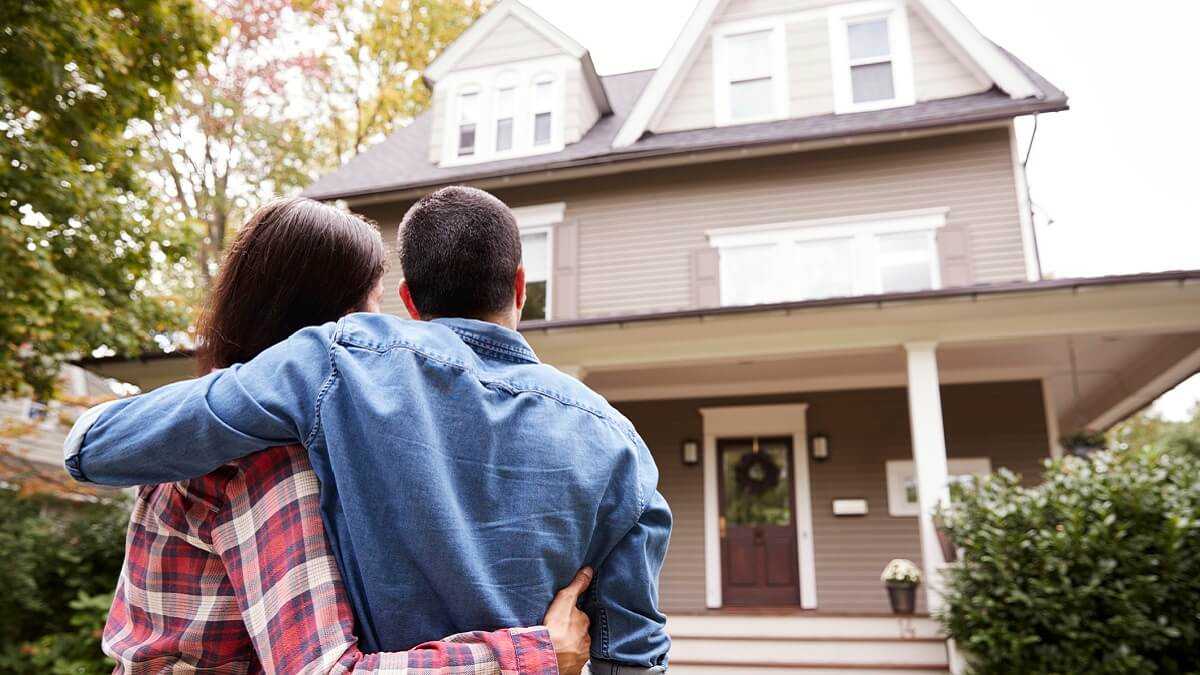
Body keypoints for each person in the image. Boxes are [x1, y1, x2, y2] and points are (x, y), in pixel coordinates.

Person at [66, 186, 672, 673]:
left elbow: (94, 451)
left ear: (409, 300)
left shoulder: (331, 368)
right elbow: (633, 653)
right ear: (520, 286)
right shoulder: (620, 443)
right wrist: (542, 653)